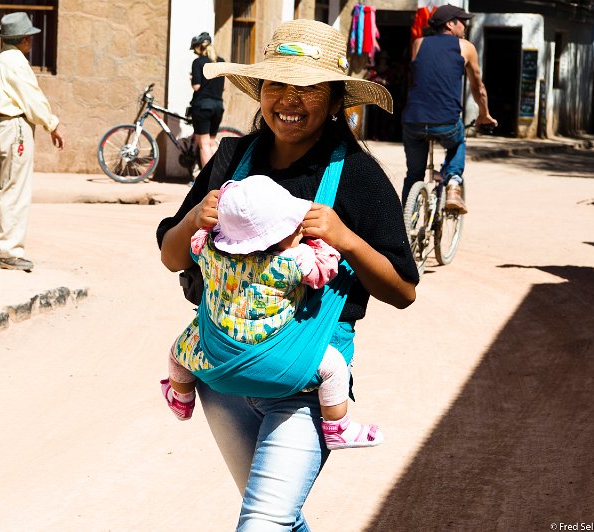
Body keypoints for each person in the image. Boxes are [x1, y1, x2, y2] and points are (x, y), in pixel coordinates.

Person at [156, 19, 419, 529]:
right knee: (276, 517)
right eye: (278, 85)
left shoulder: (358, 176)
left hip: (305, 387)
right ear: (261, 91)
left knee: (264, 521)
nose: (289, 101)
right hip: (224, 378)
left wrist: (346, 238)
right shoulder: (230, 160)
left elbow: (403, 290)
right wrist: (194, 218)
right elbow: (172, 256)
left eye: (308, 89)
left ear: (336, 99)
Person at [161, 174, 383, 450]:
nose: (299, 228)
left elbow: (196, 245)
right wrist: (321, 244)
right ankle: (338, 427)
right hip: (280, 357)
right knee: (335, 367)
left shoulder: (209, 250)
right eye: (293, 226)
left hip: (214, 355)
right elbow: (324, 271)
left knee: (177, 352)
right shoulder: (295, 260)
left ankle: (181, 399)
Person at [0, 12, 64, 272]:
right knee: (14, 191)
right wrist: (51, 123)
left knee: (3, 188)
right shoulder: (15, 61)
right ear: (24, 39)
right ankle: (6, 252)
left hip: (0, 127)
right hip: (14, 127)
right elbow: (32, 97)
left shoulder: (1, 60)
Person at [401, 4, 497, 214]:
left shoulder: (419, 43)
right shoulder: (466, 47)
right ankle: (453, 183)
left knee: (414, 174)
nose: (465, 25)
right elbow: (478, 87)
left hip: (413, 121)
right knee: (459, 139)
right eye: (462, 21)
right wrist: (484, 114)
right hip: (446, 121)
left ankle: (405, 222)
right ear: (450, 24)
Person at [189, 31, 226, 169]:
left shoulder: (198, 62)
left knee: (204, 145)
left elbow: (197, 86)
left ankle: (208, 182)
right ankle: (219, 177)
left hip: (203, 106)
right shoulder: (221, 62)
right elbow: (224, 87)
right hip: (218, 106)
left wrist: (192, 79)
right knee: (211, 143)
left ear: (198, 48)